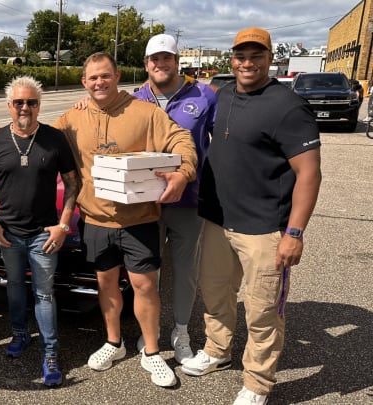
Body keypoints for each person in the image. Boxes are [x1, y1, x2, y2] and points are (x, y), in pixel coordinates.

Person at [181, 27, 321, 405]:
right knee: (216, 294)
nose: (247, 62)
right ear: (232, 59)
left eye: (256, 55)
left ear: (270, 57)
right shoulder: (223, 96)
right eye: (241, 55)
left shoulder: (287, 106)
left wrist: (295, 231)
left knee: (263, 310)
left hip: (264, 227)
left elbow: (309, 173)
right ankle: (217, 349)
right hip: (216, 219)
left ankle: (258, 383)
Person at [52, 52, 198, 387]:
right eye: (92, 78)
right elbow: (39, 135)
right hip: (96, 220)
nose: (99, 82)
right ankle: (113, 342)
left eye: (105, 76)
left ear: (117, 76)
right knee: (105, 284)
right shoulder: (73, 118)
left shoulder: (145, 113)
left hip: (139, 219)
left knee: (144, 285)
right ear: (84, 82)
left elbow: (181, 140)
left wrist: (183, 173)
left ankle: (151, 352)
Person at [0, 75, 80, 387]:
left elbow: (74, 183)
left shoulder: (54, 138)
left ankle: (50, 354)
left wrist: (63, 225)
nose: (25, 107)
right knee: (15, 288)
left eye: (31, 102)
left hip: (42, 235)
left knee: (44, 293)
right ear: (9, 106)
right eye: (19, 102)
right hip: (7, 233)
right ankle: (20, 334)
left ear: (39, 106)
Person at [131, 34, 217, 364]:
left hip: (188, 202)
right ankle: (149, 328)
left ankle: (181, 330)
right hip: (145, 203)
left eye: (166, 58)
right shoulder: (135, 98)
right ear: (146, 64)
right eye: (154, 59)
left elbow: (221, 143)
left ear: (177, 62)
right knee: (148, 271)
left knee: (185, 271)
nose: (160, 64)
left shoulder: (204, 95)